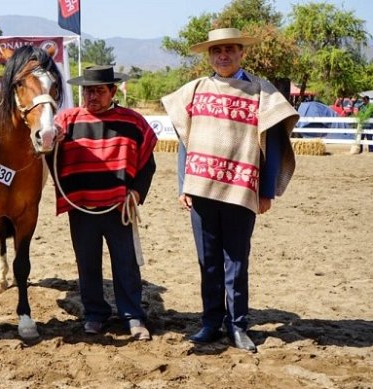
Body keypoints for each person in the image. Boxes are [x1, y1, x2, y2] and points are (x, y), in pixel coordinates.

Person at [161, 28, 298, 353]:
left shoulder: (261, 92)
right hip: (201, 190)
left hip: (241, 190)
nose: (222, 56)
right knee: (207, 261)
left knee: (236, 261)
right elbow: (184, 140)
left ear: (242, 53)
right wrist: (184, 184)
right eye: (216, 51)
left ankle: (237, 326)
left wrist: (266, 192)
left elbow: (274, 144)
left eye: (229, 50)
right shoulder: (194, 90)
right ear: (209, 55)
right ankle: (211, 322)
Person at [48, 65, 157, 341]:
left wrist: (136, 193)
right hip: (82, 207)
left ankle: (132, 315)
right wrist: (50, 141)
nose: (91, 96)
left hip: (120, 207)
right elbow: (46, 153)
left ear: (113, 91)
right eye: (86, 91)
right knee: (87, 263)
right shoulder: (66, 122)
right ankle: (95, 314)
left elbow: (147, 164)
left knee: (126, 263)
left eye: (98, 91)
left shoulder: (133, 122)